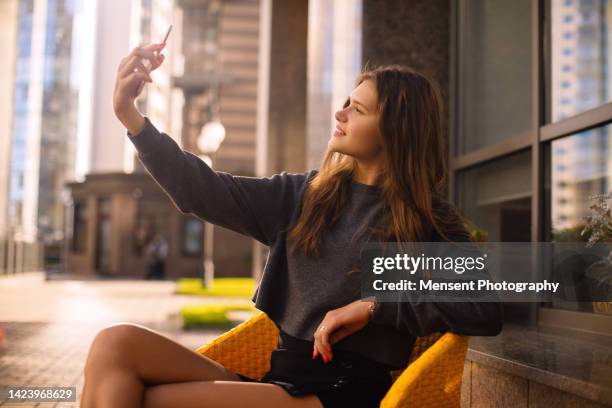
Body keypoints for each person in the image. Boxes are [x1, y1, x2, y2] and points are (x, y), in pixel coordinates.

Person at [80, 43, 503, 408]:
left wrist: (375, 305)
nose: (339, 113)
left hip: (337, 395)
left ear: (395, 129)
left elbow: (485, 305)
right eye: (346, 102)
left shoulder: (427, 220)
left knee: (143, 400)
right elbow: (201, 191)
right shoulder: (306, 196)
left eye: (357, 109)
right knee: (115, 344)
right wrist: (130, 118)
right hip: (280, 382)